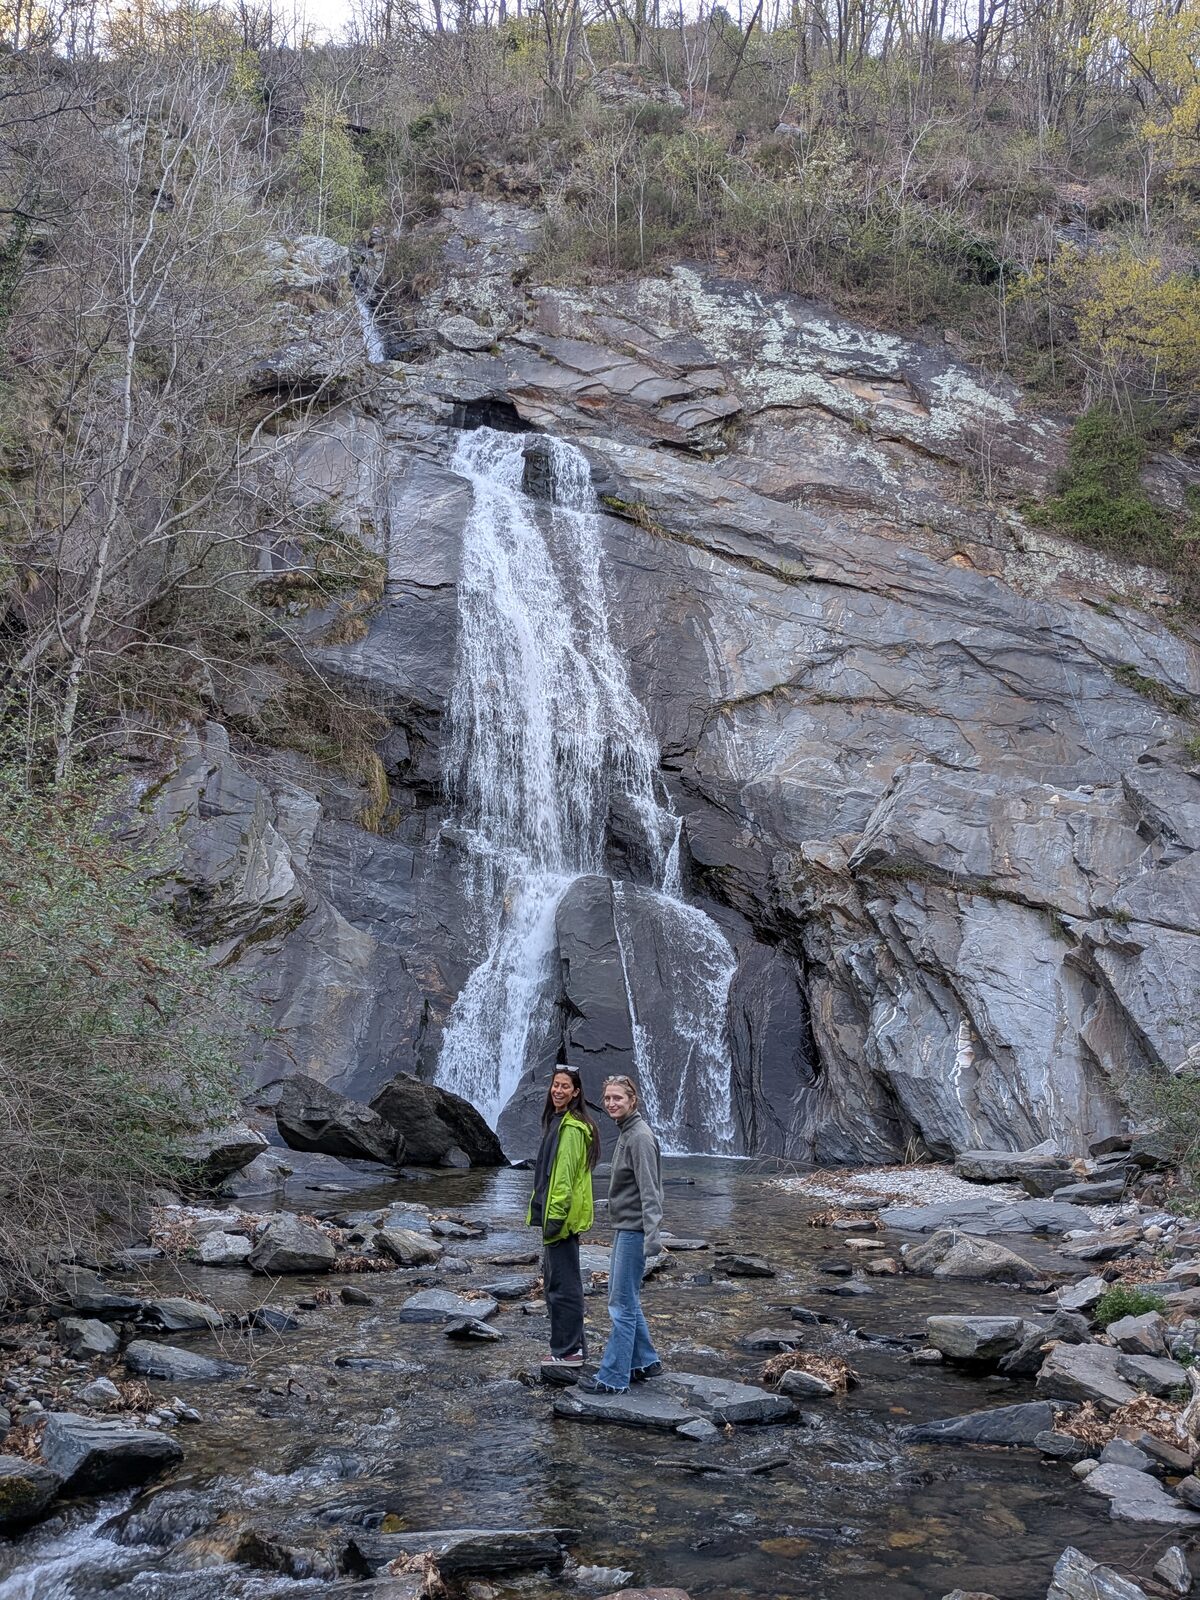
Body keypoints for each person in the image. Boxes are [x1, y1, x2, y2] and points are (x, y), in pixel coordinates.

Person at [578, 1073, 664, 1395]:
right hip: (624, 1228)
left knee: (621, 1305)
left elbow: (651, 1190)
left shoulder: (639, 1137)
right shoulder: (628, 1133)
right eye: (608, 1098)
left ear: (633, 1101)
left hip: (634, 1232)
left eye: (618, 1098)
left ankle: (613, 1378)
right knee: (626, 1299)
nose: (612, 1103)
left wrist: (652, 1235)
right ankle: (646, 1361)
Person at [526, 1064, 600, 1367]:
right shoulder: (560, 1121)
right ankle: (574, 1348)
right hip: (558, 1217)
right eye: (555, 1085)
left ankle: (567, 1352)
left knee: (561, 1287)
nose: (558, 1090)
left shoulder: (571, 1127)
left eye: (565, 1086)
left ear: (576, 1092)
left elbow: (564, 1179)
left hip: (561, 1219)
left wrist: (554, 1217)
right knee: (562, 1282)